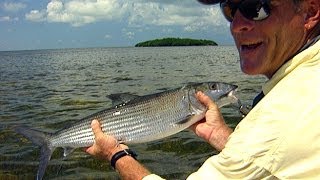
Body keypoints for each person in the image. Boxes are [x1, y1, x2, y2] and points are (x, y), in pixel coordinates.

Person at [85, 0, 320, 178]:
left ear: (310, 12)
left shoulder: (282, 119)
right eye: (229, 10)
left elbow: (268, 146)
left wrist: (116, 155)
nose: (237, 25)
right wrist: (222, 137)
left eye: (255, 8)